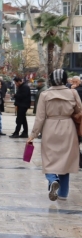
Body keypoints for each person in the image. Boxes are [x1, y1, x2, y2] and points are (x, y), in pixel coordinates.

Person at [27, 69, 81, 201]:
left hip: (50, 127)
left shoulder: (45, 94)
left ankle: (52, 179)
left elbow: (40, 117)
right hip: (68, 127)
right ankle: (63, 194)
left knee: (49, 157)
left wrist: (33, 135)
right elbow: (79, 110)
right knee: (66, 161)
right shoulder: (72, 93)